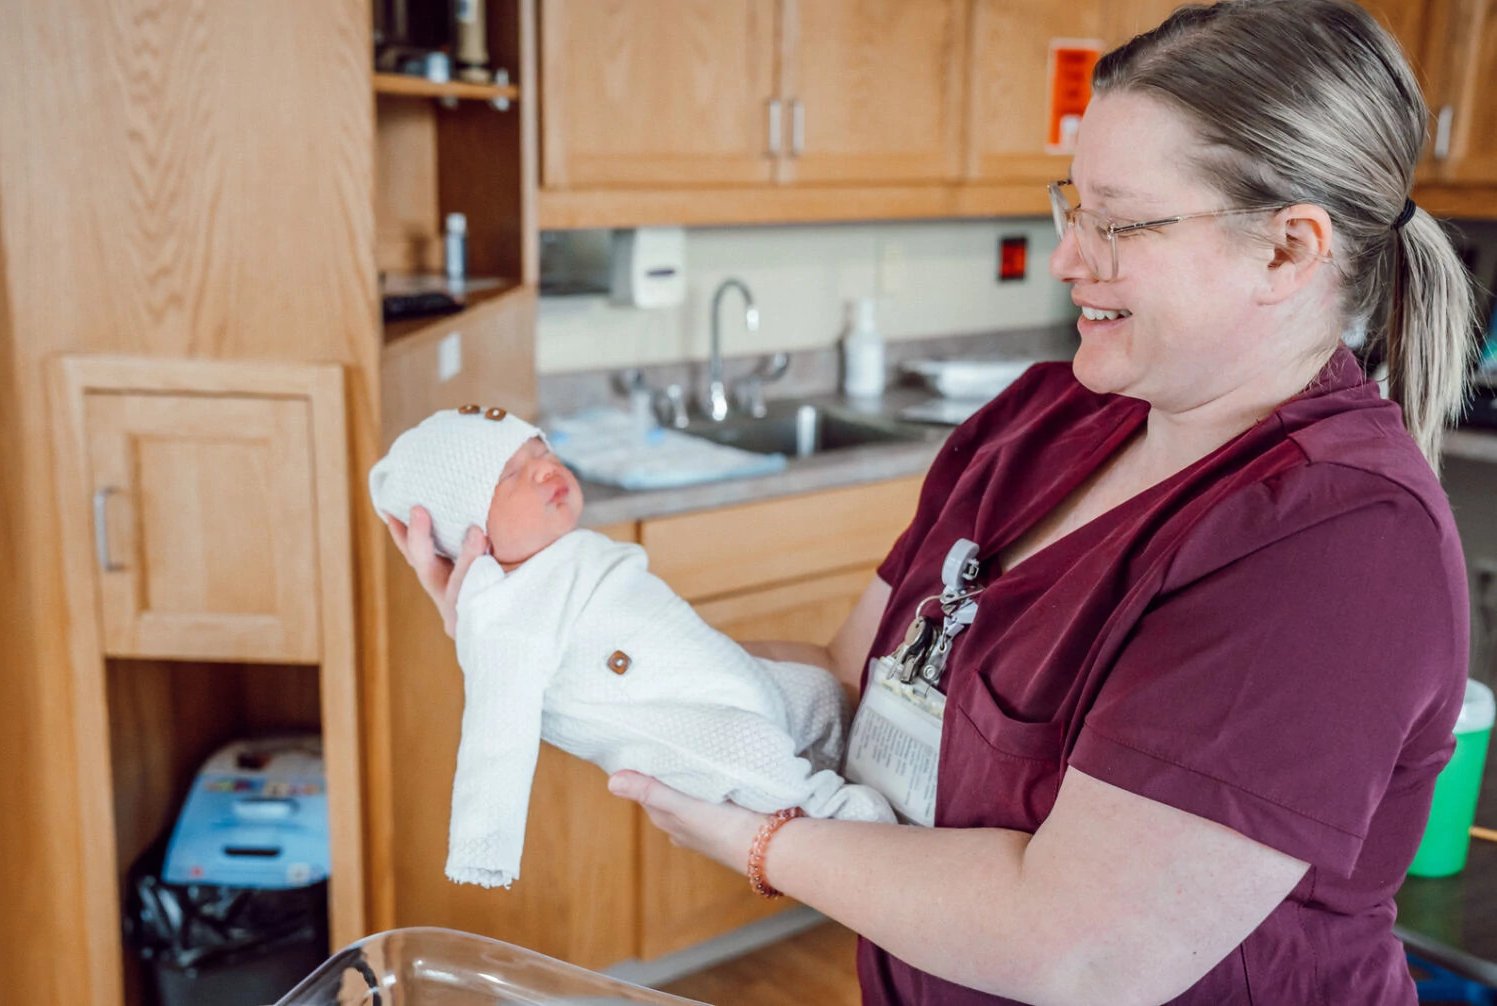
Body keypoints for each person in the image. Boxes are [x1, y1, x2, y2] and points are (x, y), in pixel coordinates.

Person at [390, 0, 1477, 999]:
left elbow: (1086, 947)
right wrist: (586, 649)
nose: (1064, 256)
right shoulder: (1044, 415)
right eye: (1069, 205)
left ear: (1288, 247)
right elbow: (847, 679)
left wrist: (757, 841)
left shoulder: (1338, 542)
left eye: (1117, 222)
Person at [371, 408, 893, 888]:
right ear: (470, 535)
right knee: (751, 754)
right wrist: (483, 845)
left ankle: (847, 761)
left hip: (720, 674)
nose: (545, 470)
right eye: (511, 474)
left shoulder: (563, 551)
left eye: (543, 452)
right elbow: (495, 725)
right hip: (674, 724)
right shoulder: (503, 610)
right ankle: (834, 810)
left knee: (820, 694)